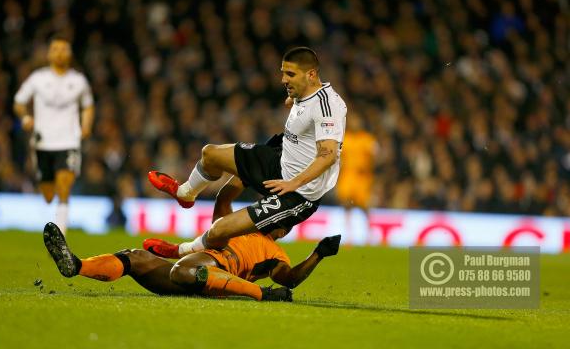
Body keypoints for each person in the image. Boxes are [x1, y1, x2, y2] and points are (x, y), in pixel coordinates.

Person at [148, 46, 347, 258]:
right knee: (211, 154)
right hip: (279, 159)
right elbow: (307, 107)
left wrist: (293, 183)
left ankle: (182, 251)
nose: (283, 80)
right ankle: (185, 194)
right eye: (282, 72)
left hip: (297, 193)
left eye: (290, 74)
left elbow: (328, 155)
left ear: (311, 74)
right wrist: (295, 100)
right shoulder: (305, 92)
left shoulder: (327, 106)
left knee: (220, 229)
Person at [43, 221, 341, 301]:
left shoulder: (273, 250)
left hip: (219, 272)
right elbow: (225, 197)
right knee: (135, 258)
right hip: (191, 270)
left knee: (185, 270)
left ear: (282, 229)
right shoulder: (239, 225)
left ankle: (260, 295)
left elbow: (288, 278)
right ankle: (76, 266)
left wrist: (318, 254)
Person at [14, 37, 94, 235]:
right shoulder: (38, 78)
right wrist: (25, 117)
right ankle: (56, 213)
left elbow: (88, 105)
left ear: (70, 54)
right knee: (48, 194)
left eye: (63, 49)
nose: (59, 53)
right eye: (55, 49)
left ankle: (61, 236)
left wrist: (85, 125)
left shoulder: (78, 80)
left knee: (64, 186)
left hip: (69, 141)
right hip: (43, 142)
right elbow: (19, 101)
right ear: (49, 54)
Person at [335, 111, 378, 243]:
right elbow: (337, 158)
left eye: (357, 121)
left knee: (364, 206)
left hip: (362, 178)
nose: (355, 123)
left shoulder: (367, 139)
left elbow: (376, 155)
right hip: (347, 176)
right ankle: (349, 235)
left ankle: (370, 234)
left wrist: (369, 168)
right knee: (347, 205)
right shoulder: (344, 139)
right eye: (353, 121)